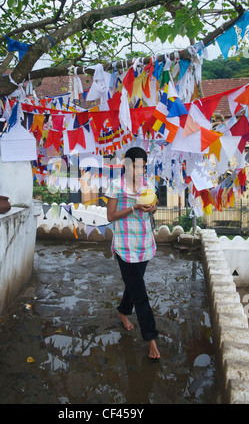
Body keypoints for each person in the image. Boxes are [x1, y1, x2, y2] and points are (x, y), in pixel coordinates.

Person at [105, 147, 160, 359]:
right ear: (125, 165)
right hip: (125, 247)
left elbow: (153, 207)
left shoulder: (148, 184)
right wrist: (134, 207)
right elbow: (110, 216)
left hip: (145, 244)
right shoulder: (116, 185)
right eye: (133, 166)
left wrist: (151, 208)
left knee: (133, 284)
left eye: (141, 166)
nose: (137, 170)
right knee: (141, 294)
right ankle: (151, 339)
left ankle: (122, 311)